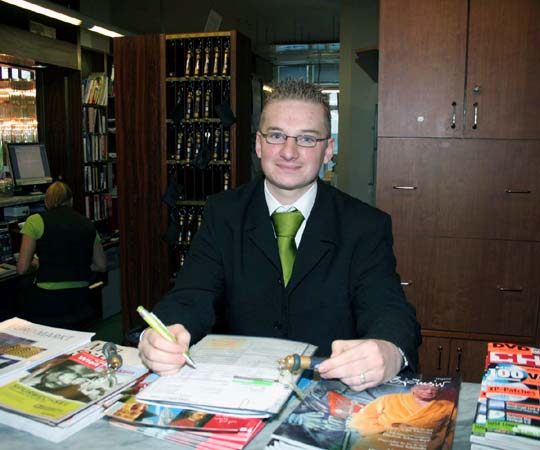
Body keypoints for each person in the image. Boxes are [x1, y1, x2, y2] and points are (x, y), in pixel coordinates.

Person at [139, 79, 421, 390]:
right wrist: (162, 334)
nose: (289, 152)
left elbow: (387, 306)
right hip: (239, 389)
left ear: (328, 150)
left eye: (307, 139)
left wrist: (389, 350)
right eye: (276, 136)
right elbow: (191, 295)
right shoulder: (223, 213)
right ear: (259, 144)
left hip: (327, 392)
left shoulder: (365, 225)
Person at [16, 181, 107, 328]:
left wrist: (37, 263)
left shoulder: (35, 221)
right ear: (71, 201)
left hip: (47, 299)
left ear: (46, 201)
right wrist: (76, 264)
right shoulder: (87, 223)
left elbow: (22, 268)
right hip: (79, 298)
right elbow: (101, 265)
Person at [349, 383, 456, 450]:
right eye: (425, 388)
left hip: (419, 444)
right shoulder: (389, 399)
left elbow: (455, 429)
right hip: (380, 440)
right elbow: (361, 419)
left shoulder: (447, 406)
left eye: (434, 389)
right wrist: (384, 430)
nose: (429, 391)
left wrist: (442, 444)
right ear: (413, 387)